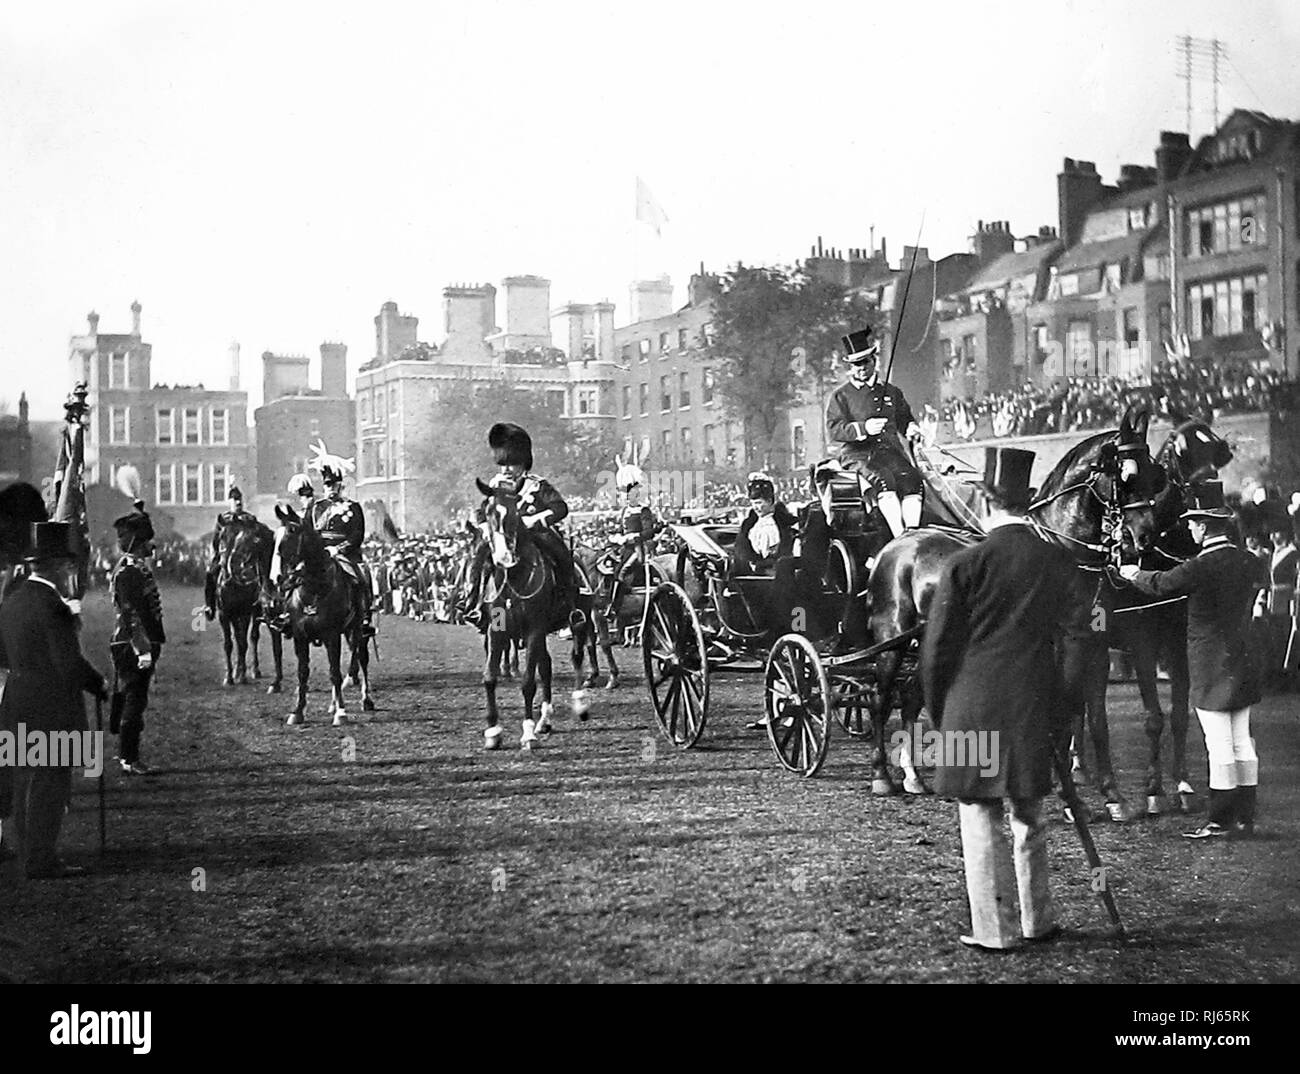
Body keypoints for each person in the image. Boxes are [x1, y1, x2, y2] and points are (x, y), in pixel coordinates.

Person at [922, 447, 1079, 952]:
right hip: (1033, 700)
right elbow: (1079, 637)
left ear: (985, 502)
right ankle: (1039, 920)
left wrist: (937, 710)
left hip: (971, 705)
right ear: (1029, 501)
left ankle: (996, 930)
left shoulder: (964, 564)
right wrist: (1064, 704)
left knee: (979, 813)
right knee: (1030, 814)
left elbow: (938, 651)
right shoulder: (1056, 560)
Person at [1119, 481, 1270, 838]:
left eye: (1191, 523)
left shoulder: (1199, 567)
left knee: (1218, 744)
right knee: (1242, 741)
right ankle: (1245, 818)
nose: (1188, 528)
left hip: (1210, 664)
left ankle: (1219, 821)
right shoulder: (1248, 560)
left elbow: (1160, 584)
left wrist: (1130, 573)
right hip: (1243, 660)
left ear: (1203, 525)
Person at [0, 519, 108, 878]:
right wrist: (98, 684)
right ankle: (41, 860)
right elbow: (68, 664)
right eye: (68, 565)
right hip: (50, 707)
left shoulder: (12, 601)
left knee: (22, 781)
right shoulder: (53, 606)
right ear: (59, 566)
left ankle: (27, 853)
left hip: (16, 702)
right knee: (50, 783)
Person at [462, 423, 583, 627]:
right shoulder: (496, 485)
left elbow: (560, 508)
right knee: (478, 555)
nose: (507, 469)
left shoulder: (537, 485)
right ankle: (473, 603)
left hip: (535, 533)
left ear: (523, 463)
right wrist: (483, 525)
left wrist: (536, 520)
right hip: (503, 536)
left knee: (561, 554)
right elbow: (482, 510)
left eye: (512, 464)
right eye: (504, 464)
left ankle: (570, 605)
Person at [825, 326, 927, 539]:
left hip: (890, 453)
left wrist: (912, 428)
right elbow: (834, 429)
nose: (861, 368)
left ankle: (913, 534)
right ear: (850, 367)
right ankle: (900, 537)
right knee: (884, 481)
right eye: (856, 365)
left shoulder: (891, 392)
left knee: (912, 480)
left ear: (874, 361)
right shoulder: (840, 396)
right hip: (857, 456)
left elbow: (904, 419)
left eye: (865, 362)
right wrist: (863, 429)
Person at [110, 498, 167, 776]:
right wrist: (143, 649)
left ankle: (128, 755)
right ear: (137, 545)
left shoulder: (132, 568)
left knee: (135, 699)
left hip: (133, 642)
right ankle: (128, 758)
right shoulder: (129, 572)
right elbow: (131, 613)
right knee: (134, 700)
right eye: (145, 542)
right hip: (132, 644)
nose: (150, 546)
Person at [305, 442, 374, 638]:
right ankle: (291, 614)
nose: (331, 488)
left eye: (334, 484)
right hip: (320, 555)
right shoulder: (315, 508)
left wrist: (339, 549)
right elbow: (309, 533)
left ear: (340, 485)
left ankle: (365, 617)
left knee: (362, 577)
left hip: (345, 554)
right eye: (327, 484)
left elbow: (357, 534)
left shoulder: (353, 507)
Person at [603, 453, 660, 628]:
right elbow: (621, 530)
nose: (629, 497)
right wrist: (616, 537)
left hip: (639, 548)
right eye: (627, 494)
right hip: (624, 548)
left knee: (621, 572)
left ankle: (614, 607)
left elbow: (649, 531)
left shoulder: (643, 511)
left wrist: (635, 537)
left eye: (632, 493)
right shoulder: (625, 511)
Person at [203, 485, 257, 620]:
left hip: (245, 558)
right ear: (230, 502)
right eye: (234, 500)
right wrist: (216, 556)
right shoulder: (223, 519)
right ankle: (210, 606)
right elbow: (216, 541)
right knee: (211, 573)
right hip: (226, 556)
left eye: (239, 500)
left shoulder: (249, 519)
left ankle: (260, 607)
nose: (238, 503)